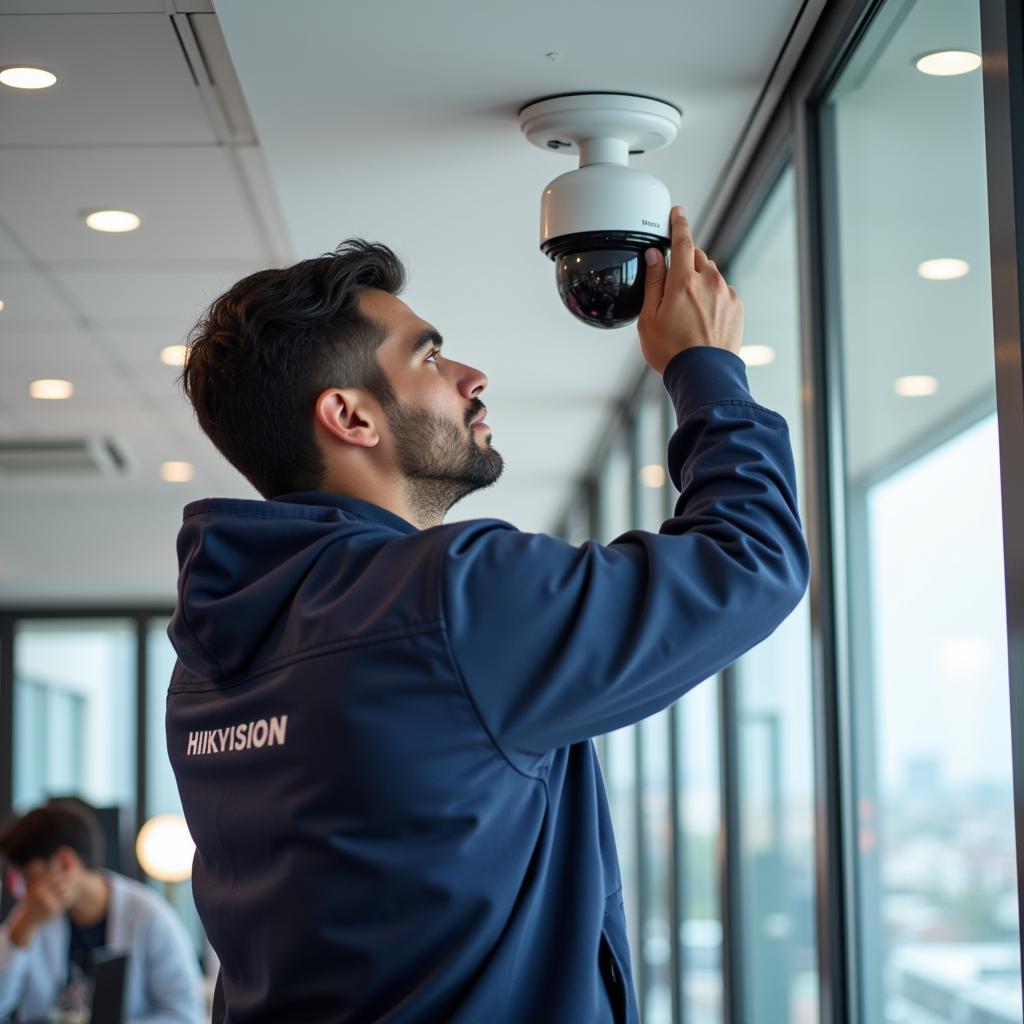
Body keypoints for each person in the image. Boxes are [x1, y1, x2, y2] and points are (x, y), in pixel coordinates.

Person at [166, 206, 810, 1023]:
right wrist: (704, 364)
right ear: (350, 416)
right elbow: (749, 562)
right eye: (429, 356)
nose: (471, 376)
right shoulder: (446, 600)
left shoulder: (207, 667)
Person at [0, 799, 206, 1024]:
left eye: (30, 877)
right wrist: (23, 929)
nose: (24, 891)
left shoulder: (149, 917)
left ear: (65, 863)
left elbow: (185, 1015)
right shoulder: (31, 914)